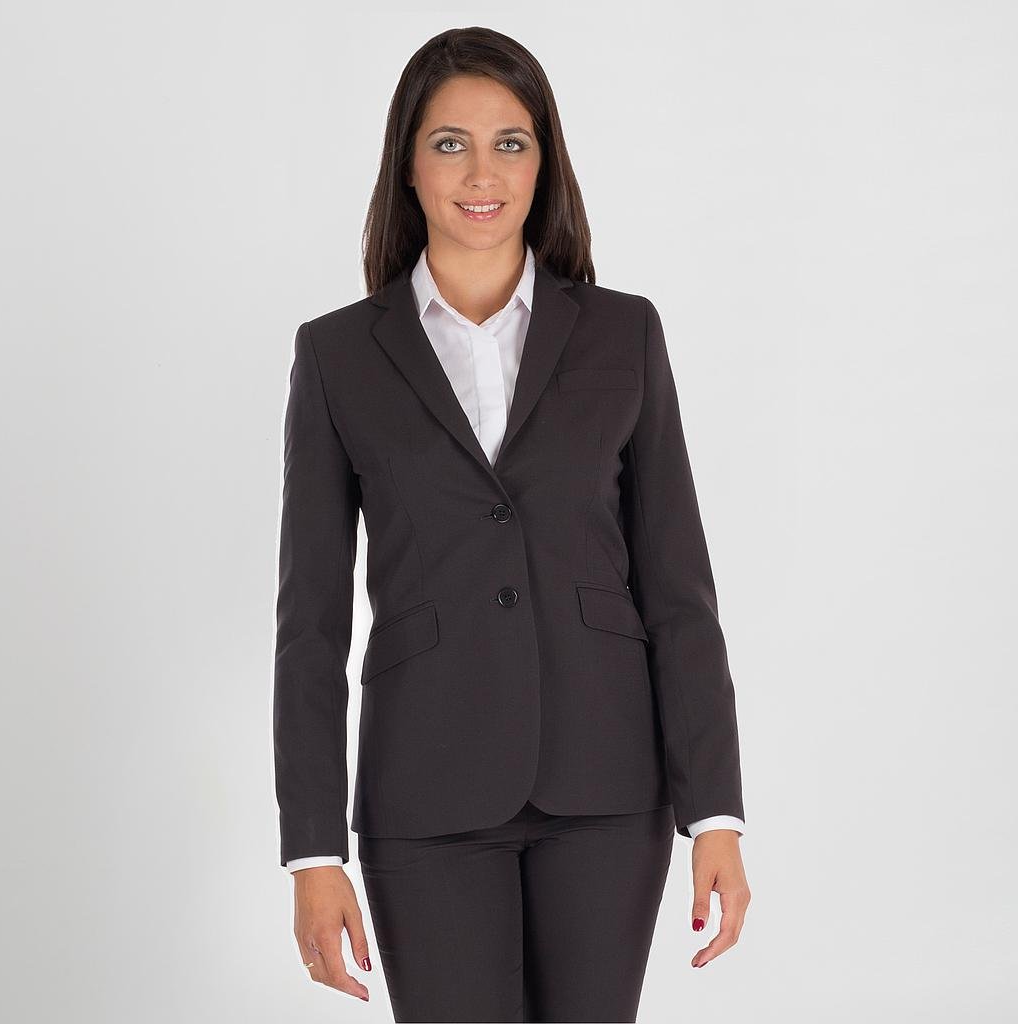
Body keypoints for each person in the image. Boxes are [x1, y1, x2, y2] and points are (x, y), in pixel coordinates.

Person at [273, 26, 751, 1022]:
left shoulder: (624, 333)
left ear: (544, 163)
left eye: (511, 143)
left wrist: (714, 809)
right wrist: (314, 852)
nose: (480, 173)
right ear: (408, 164)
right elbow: (309, 624)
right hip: (424, 791)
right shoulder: (338, 357)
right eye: (449, 143)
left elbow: (677, 587)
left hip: (608, 785)